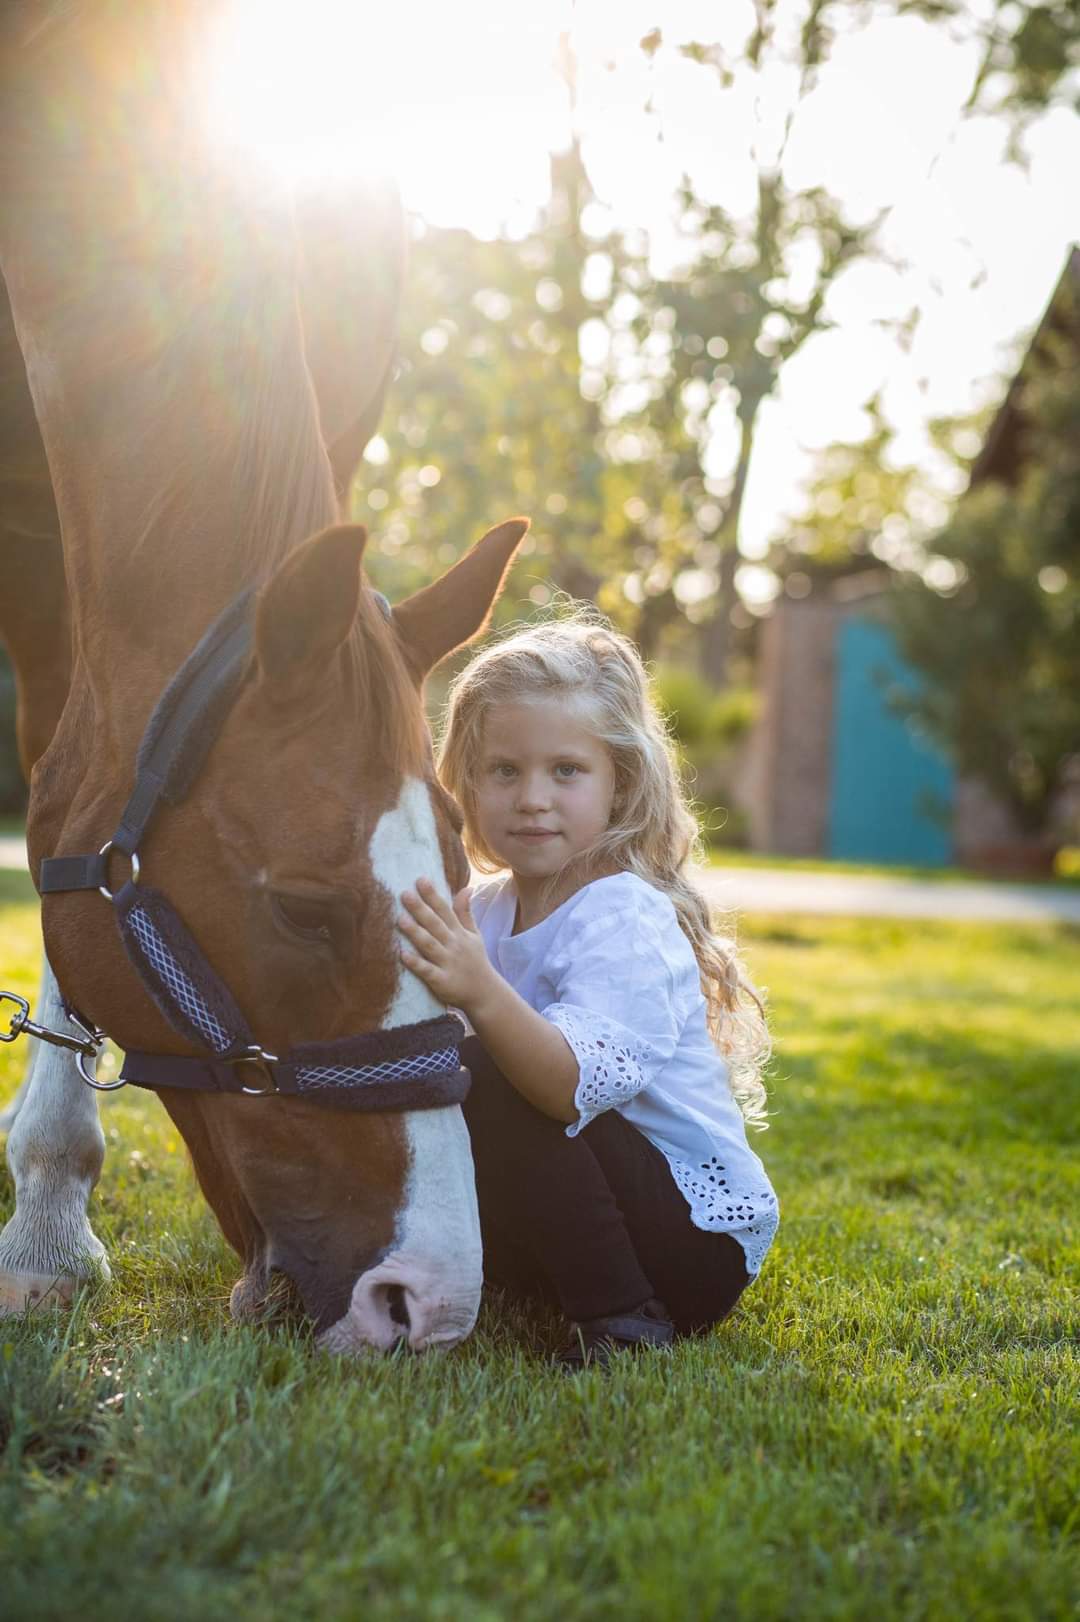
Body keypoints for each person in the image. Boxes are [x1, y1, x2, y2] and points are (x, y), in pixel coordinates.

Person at [398, 611, 778, 1368]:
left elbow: (564, 1091)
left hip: (690, 1244)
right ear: (465, 783)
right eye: (505, 771)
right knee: (436, 1069)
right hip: (581, 1206)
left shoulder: (622, 915)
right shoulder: (488, 908)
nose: (532, 798)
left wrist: (479, 989)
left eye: (566, 771)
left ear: (619, 783)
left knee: (484, 1074)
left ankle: (622, 1317)